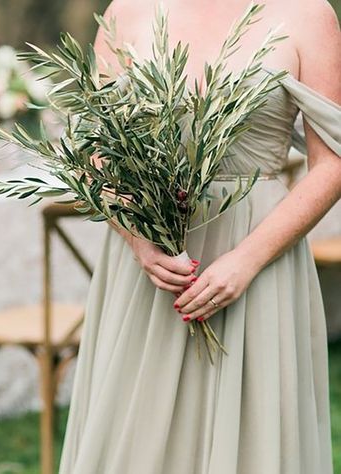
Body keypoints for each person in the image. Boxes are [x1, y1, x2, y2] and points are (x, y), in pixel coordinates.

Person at [58, 1, 341, 472]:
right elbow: (97, 157)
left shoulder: (308, 14)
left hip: (258, 257)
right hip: (152, 269)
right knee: (137, 433)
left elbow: (332, 162)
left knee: (254, 435)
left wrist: (247, 260)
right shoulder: (126, 11)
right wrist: (139, 240)